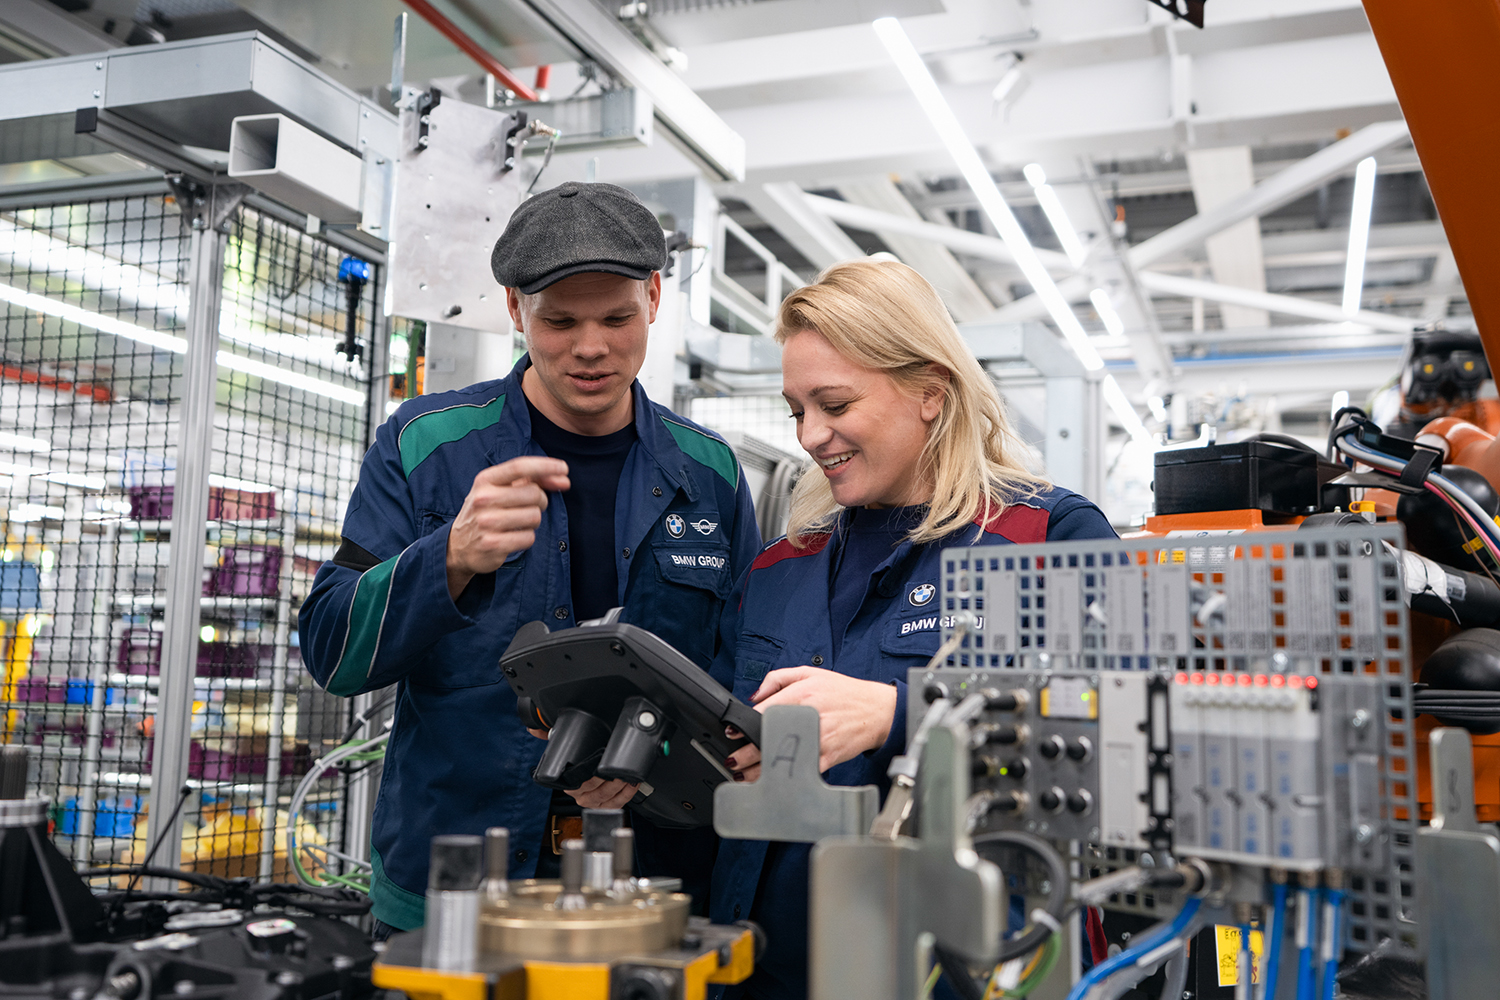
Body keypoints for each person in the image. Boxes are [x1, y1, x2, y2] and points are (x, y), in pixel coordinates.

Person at [298, 181, 760, 935]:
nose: (591, 347)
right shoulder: (426, 446)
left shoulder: (709, 473)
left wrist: (655, 754)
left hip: (650, 888)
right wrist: (449, 558)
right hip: (455, 887)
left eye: (616, 318)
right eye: (560, 321)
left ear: (653, 297)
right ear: (515, 308)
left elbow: (741, 677)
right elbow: (332, 651)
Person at [706, 259, 1118, 999]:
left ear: (931, 391)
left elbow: (1113, 744)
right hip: (767, 970)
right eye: (796, 409)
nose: (810, 435)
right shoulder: (777, 567)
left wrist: (901, 713)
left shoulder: (1045, 538)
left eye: (834, 403)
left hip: (963, 968)